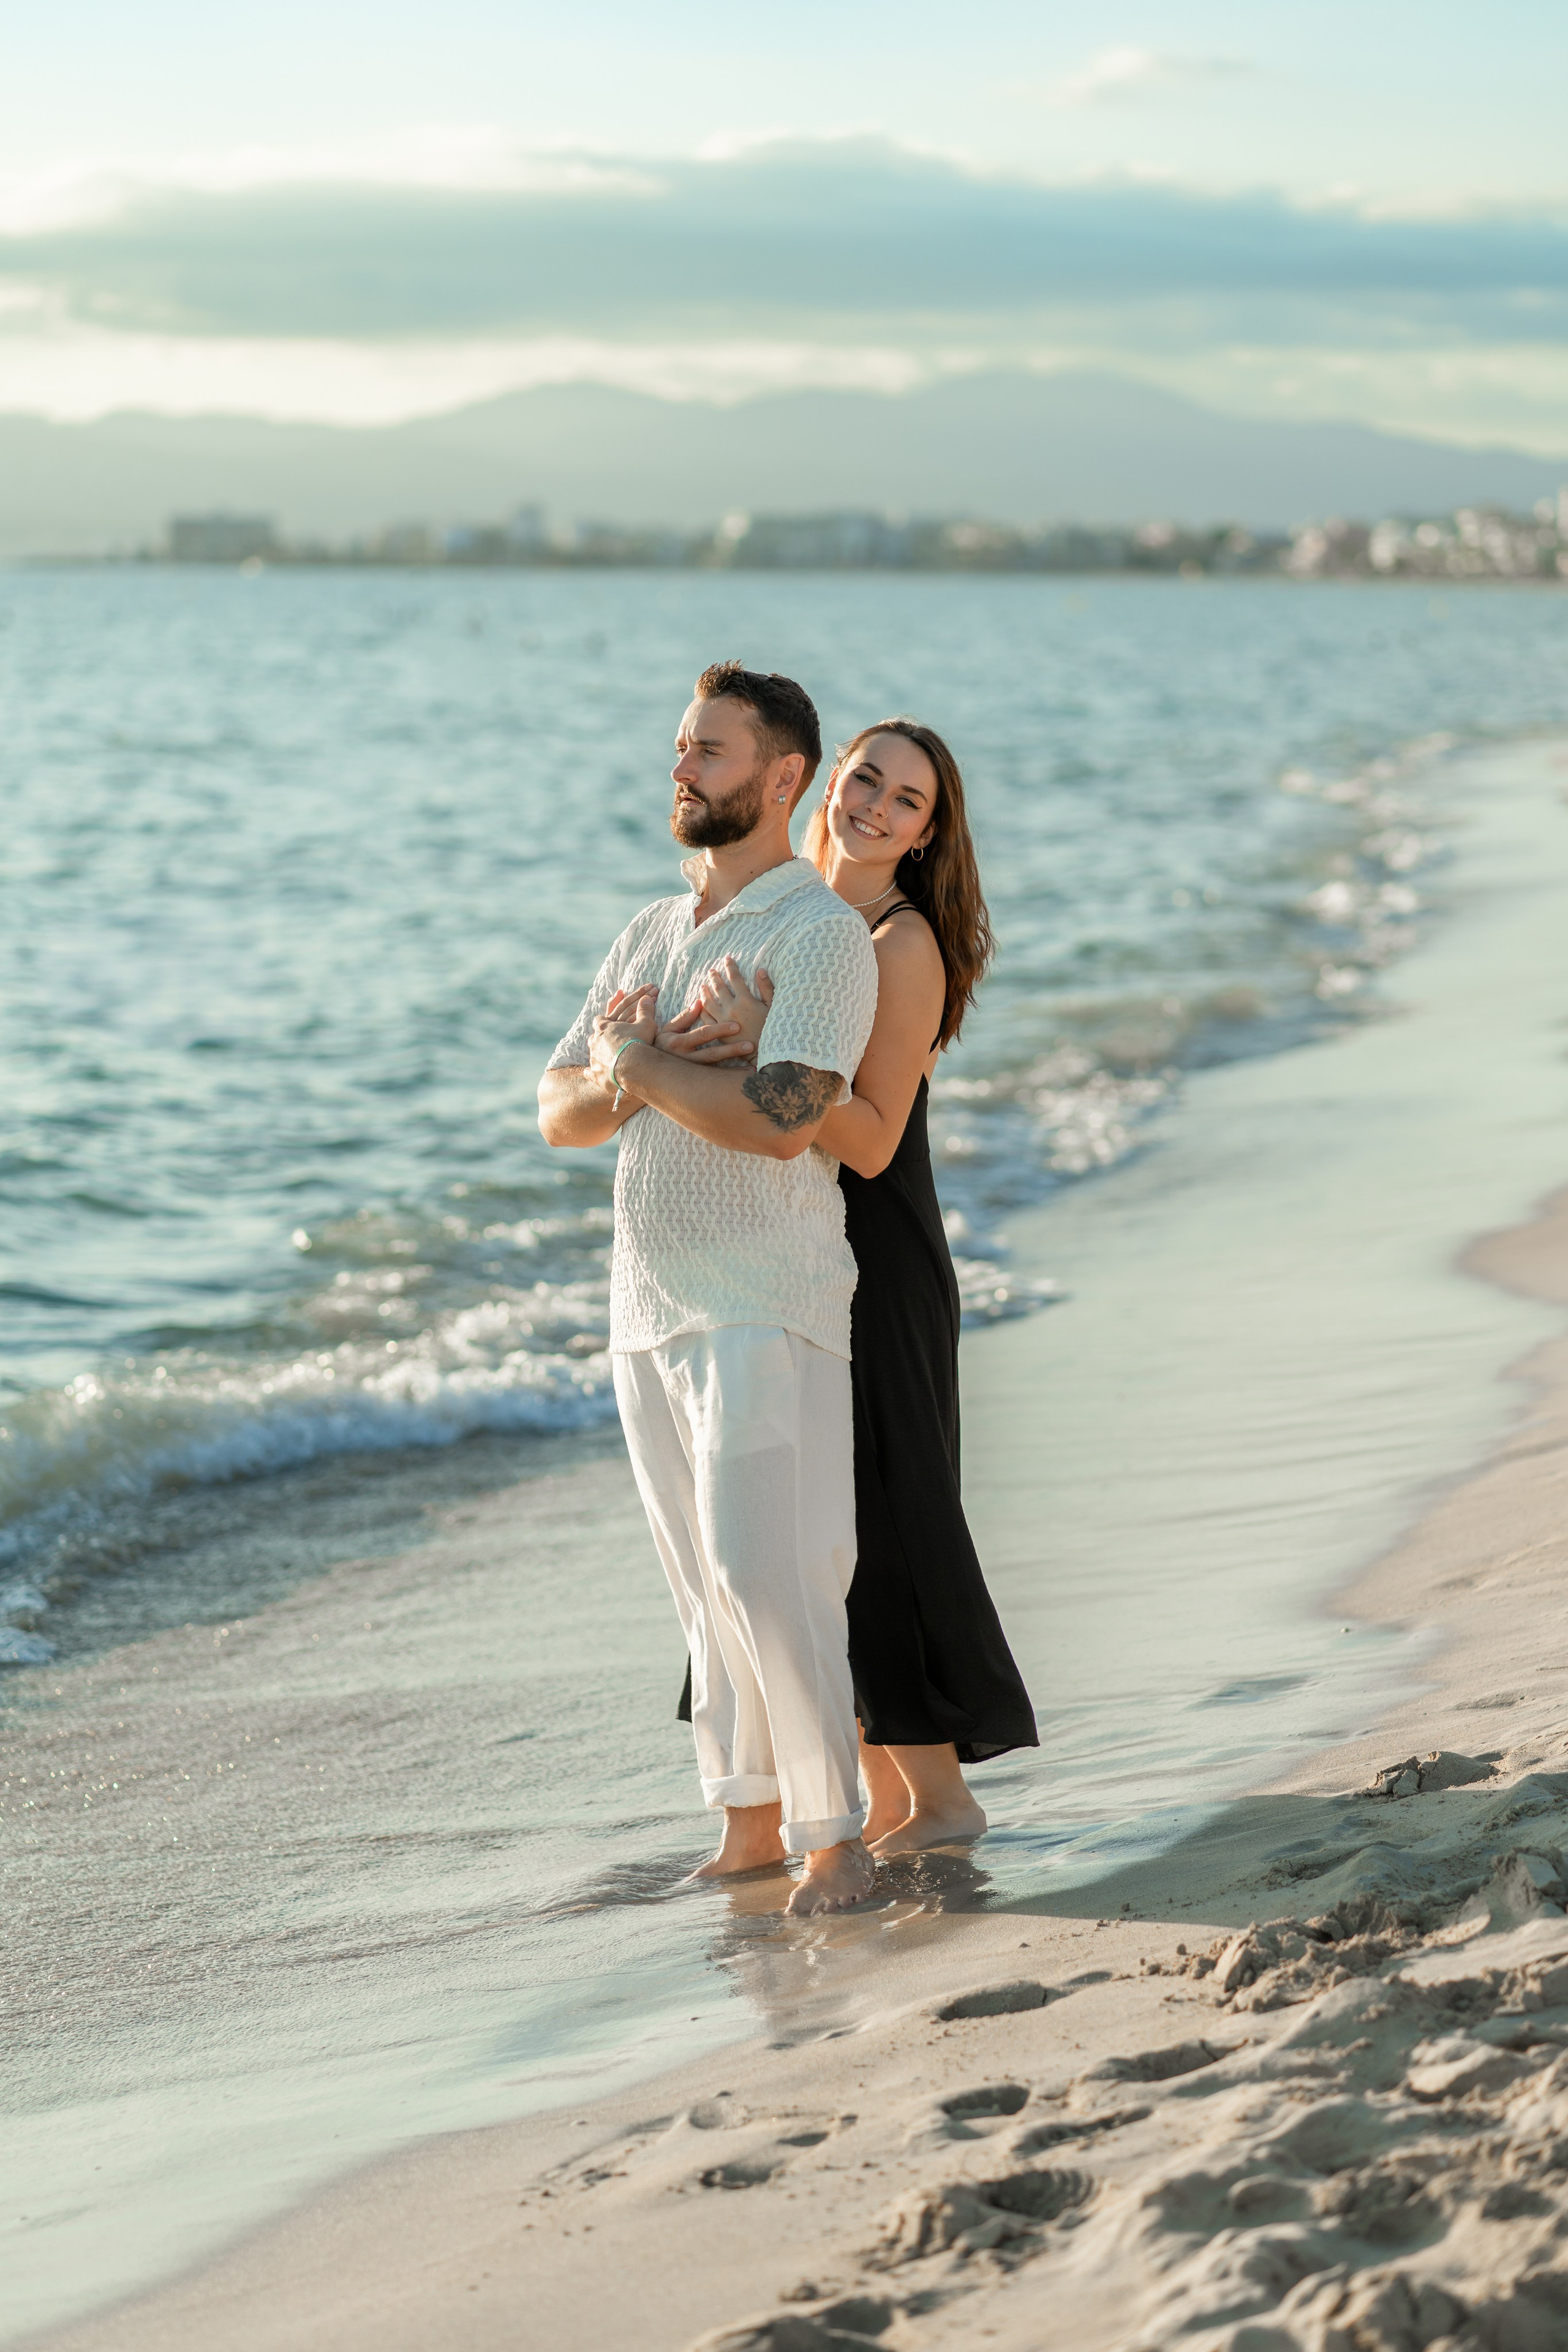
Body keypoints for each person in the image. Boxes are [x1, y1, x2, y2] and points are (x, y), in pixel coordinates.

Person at [537, 661, 880, 1917]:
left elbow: (788, 1117)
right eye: (681, 747)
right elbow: (558, 1110)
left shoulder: (819, 935)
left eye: (710, 752)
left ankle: (833, 1837)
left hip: (765, 1297)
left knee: (764, 1570)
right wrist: (642, 1068)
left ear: (783, 778)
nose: (680, 767)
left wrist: (636, 1057)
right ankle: (744, 1827)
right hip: (646, 1300)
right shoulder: (648, 932)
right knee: (699, 1587)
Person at [679, 720, 1037, 1855]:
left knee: (876, 1523)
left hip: (876, 1263)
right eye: (865, 779)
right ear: (825, 783)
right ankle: (880, 1803)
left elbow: (875, 1143)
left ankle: (939, 1802)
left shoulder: (897, 945)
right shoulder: (794, 920)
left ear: (930, 834)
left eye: (908, 801)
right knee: (802, 1521)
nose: (876, 806)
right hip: (785, 1252)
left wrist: (760, 1059)